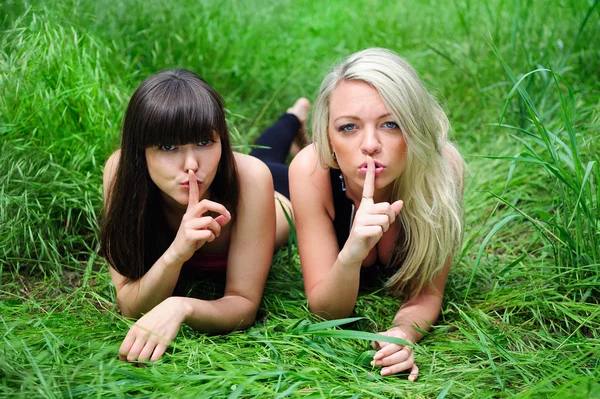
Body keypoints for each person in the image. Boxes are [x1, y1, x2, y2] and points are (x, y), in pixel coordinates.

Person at [100, 69, 309, 363]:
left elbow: (243, 305)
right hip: (235, 173)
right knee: (266, 154)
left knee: (270, 162)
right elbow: (129, 303)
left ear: (221, 140)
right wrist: (176, 253)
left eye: (204, 142)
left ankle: (294, 119)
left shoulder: (251, 179)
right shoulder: (120, 173)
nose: (191, 165)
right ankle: (294, 116)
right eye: (168, 146)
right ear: (140, 150)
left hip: (276, 194)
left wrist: (182, 307)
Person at [289, 48, 464, 381]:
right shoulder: (311, 172)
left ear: (414, 127)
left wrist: (401, 333)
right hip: (289, 185)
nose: (370, 144)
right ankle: (293, 119)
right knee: (271, 187)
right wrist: (350, 256)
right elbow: (325, 310)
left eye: (390, 123)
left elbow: (427, 292)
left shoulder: (443, 171)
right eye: (349, 127)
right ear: (328, 136)